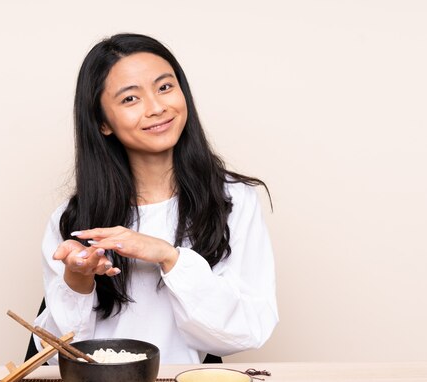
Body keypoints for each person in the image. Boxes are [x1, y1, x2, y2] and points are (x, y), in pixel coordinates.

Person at [33, 33, 278, 364]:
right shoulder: (74, 220)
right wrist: (77, 281)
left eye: (164, 87)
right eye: (130, 99)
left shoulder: (232, 200)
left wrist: (168, 257)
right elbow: (52, 357)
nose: (157, 107)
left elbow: (250, 329)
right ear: (103, 122)